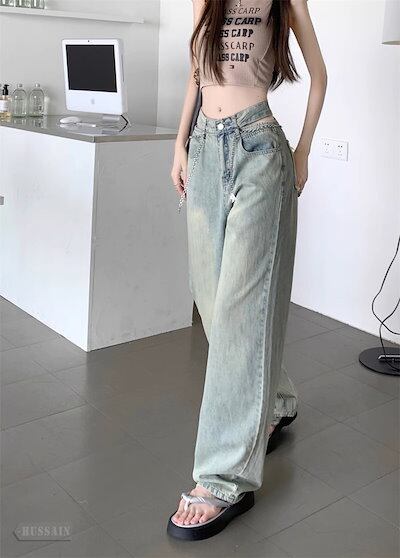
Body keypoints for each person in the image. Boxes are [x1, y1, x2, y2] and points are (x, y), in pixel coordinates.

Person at [167, 0, 327, 541]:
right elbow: (196, 72)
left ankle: (223, 478)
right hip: (204, 147)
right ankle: (276, 400)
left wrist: (303, 151)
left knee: (241, 310)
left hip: (259, 147)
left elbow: (320, 76)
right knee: (210, 298)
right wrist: (180, 142)